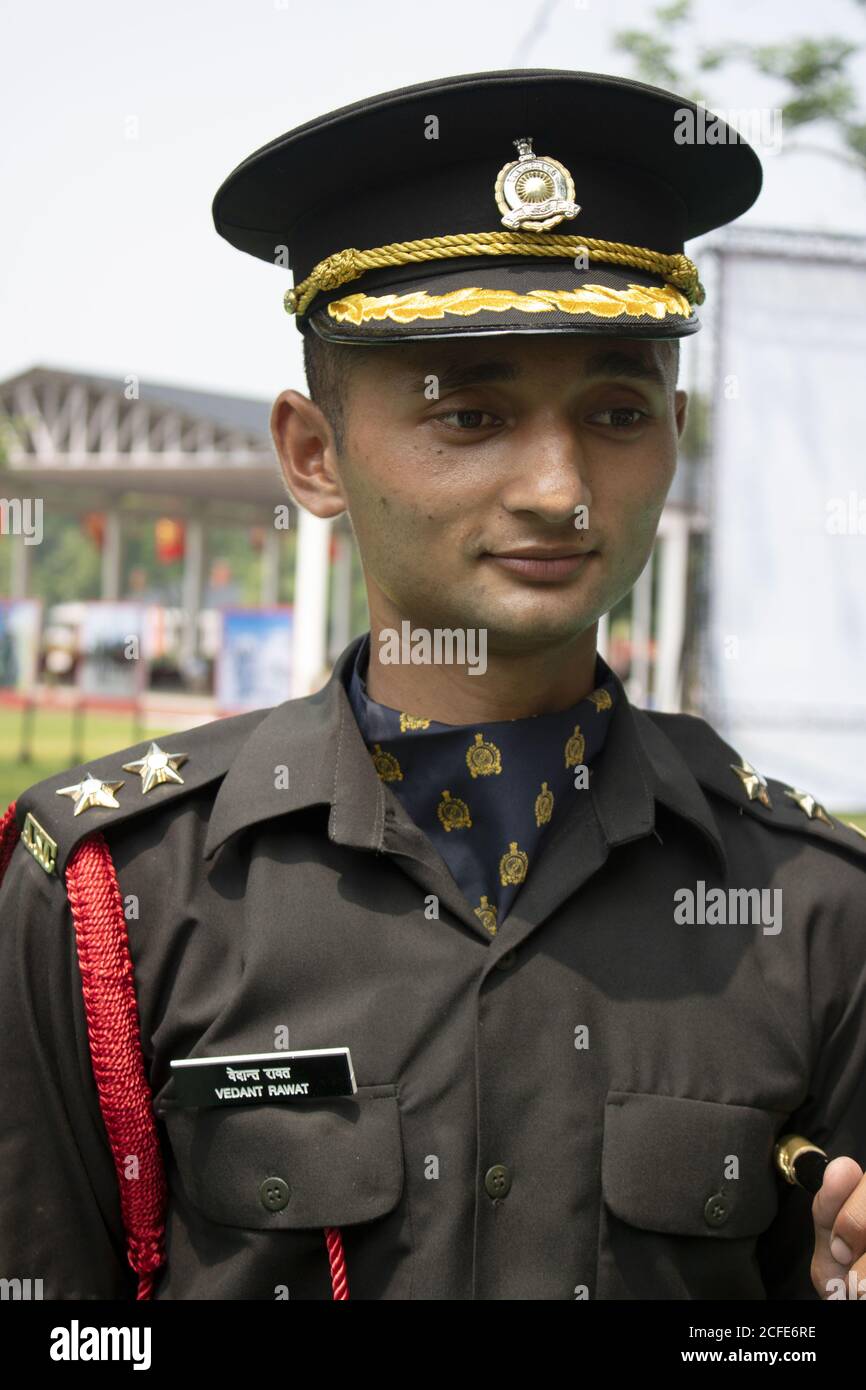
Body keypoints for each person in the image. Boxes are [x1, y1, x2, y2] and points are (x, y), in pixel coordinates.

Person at [1, 68, 865, 1302]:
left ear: (676, 430)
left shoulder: (810, 911)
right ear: (314, 453)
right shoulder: (121, 896)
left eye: (616, 412)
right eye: (468, 416)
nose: (558, 486)